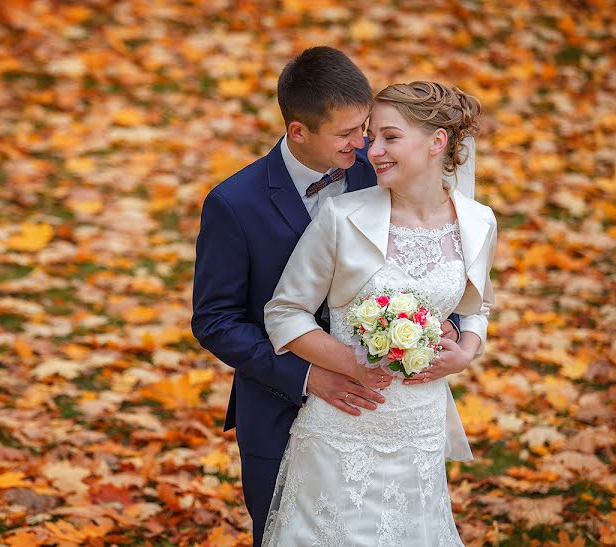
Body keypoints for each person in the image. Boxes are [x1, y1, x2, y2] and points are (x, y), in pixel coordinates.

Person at [191, 46, 478, 544]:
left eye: (365, 126)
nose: (363, 143)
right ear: (298, 131)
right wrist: (307, 375)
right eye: (347, 133)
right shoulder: (235, 203)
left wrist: (453, 329)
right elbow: (216, 320)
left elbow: (438, 254)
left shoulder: (384, 170)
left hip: (387, 410)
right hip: (280, 403)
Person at [262, 81, 496, 545]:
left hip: (420, 431)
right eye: (372, 138)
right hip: (342, 427)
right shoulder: (341, 218)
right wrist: (354, 364)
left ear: (437, 142)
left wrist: (465, 352)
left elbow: (478, 306)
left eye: (390, 137)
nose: (372, 151)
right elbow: (285, 313)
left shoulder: (478, 222)